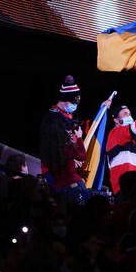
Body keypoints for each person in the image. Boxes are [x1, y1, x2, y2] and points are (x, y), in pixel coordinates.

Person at [38, 75, 111, 209]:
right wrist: (69, 154)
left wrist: (102, 110)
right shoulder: (52, 118)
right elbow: (49, 147)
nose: (75, 106)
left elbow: (80, 132)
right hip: (55, 169)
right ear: (64, 100)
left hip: (70, 164)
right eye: (73, 103)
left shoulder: (70, 114)